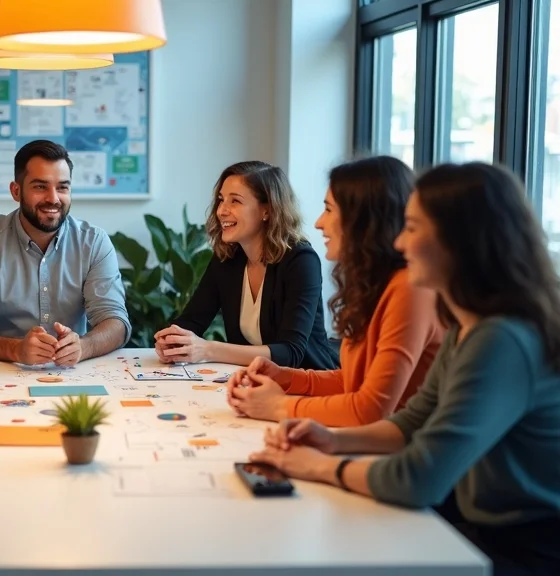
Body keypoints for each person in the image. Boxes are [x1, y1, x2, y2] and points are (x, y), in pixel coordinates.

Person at [249, 162, 560, 575]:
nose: (400, 241)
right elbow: (412, 421)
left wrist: (318, 466)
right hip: (480, 526)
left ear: (459, 241)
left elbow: (420, 478)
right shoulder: (467, 324)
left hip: (524, 548)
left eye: (412, 228)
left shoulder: (501, 338)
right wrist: (332, 441)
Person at [227, 156, 442, 425]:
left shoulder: (410, 290)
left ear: (362, 220)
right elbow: (351, 380)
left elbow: (371, 409)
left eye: (328, 210)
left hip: (399, 454)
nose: (318, 223)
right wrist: (283, 377)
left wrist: (280, 406)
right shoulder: (375, 284)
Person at [0, 139, 131, 366]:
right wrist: (15, 349)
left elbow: (115, 321)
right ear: (16, 190)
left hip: (72, 371)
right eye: (40, 186)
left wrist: (84, 346)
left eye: (62, 187)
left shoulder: (93, 242)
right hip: (1, 371)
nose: (53, 198)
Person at [154, 161, 339, 369]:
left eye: (235, 201)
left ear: (267, 210)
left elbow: (290, 352)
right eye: (221, 200)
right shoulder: (228, 257)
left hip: (308, 383)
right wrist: (172, 340)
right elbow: (192, 321)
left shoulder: (301, 260)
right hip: (253, 381)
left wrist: (207, 349)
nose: (222, 210)